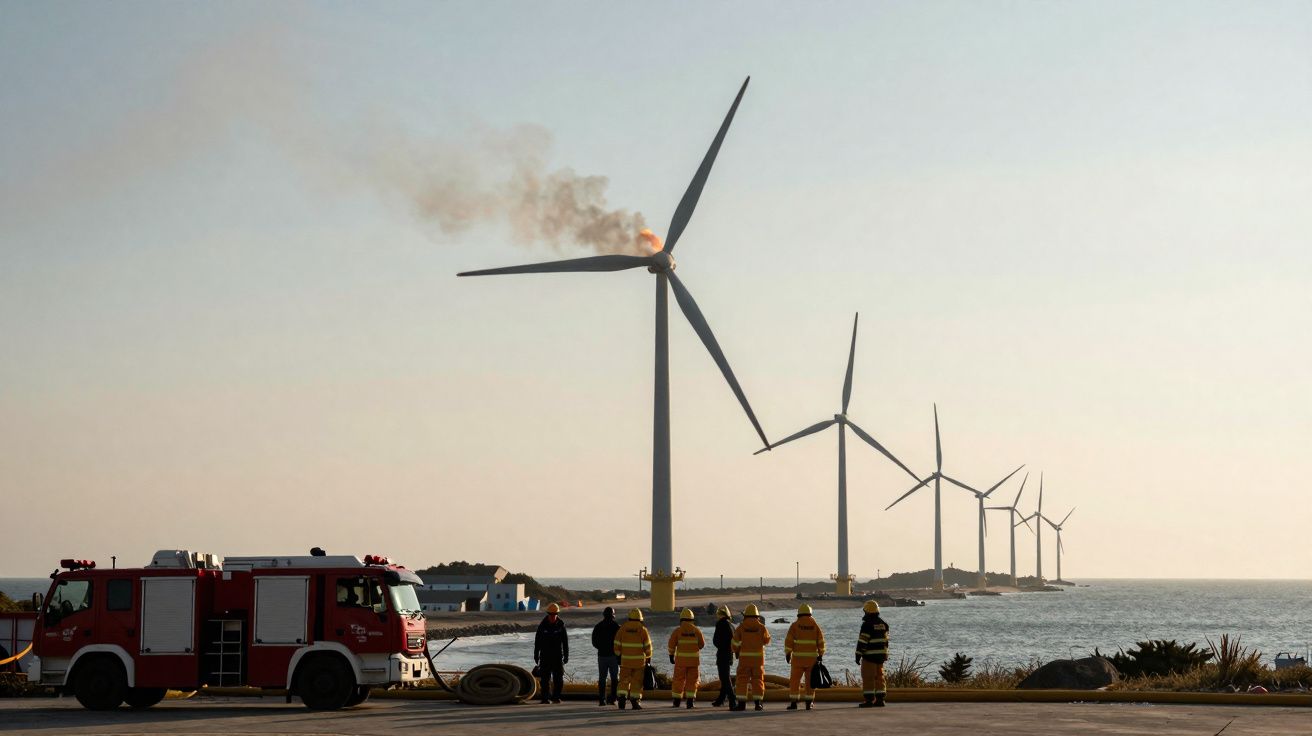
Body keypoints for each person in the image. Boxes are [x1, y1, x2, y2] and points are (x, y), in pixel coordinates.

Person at [784, 602, 826, 710]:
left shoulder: (794, 625)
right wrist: (821, 654)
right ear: (810, 613)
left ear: (799, 614)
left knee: (794, 681)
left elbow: (789, 641)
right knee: (810, 682)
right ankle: (809, 703)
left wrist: (788, 653)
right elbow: (821, 641)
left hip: (797, 659)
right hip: (811, 660)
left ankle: (794, 703)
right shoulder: (815, 626)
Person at [731, 603, 771, 710]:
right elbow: (767, 640)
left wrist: (736, 651)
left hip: (744, 660)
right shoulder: (762, 628)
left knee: (742, 680)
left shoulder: (741, 627)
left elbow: (734, 643)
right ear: (757, 616)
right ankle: (758, 704)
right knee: (757, 680)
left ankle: (741, 704)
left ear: (745, 616)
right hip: (758, 660)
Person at [613, 608, 652, 710]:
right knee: (636, 682)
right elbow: (647, 646)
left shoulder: (622, 628)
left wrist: (618, 655)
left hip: (625, 661)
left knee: (623, 681)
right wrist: (648, 657)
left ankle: (621, 700)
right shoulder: (643, 630)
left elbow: (616, 644)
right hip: (639, 663)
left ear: (629, 617)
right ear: (640, 618)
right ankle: (635, 702)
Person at [666, 608, 705, 709]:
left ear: (681, 619)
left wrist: (671, 656)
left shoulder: (677, 631)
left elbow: (671, 645)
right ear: (692, 619)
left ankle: (677, 702)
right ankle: (690, 702)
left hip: (680, 662)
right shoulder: (697, 631)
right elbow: (701, 645)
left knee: (678, 680)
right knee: (692, 681)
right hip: (694, 662)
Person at [855, 600, 890, 707]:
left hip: (870, 656)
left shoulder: (867, 625)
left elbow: (863, 641)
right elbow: (886, 640)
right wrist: (884, 654)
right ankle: (880, 699)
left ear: (866, 611)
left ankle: (869, 700)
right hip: (881, 656)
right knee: (880, 677)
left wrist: (858, 655)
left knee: (868, 677)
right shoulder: (883, 624)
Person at [533, 602, 568, 704]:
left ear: (557, 614)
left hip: (557, 656)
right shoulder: (542, 626)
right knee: (545, 679)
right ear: (548, 614)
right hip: (545, 656)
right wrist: (536, 655)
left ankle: (556, 697)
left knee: (558, 679)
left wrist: (566, 656)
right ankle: (545, 698)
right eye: (551, 614)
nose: (553, 616)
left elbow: (565, 642)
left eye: (554, 614)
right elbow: (537, 641)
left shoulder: (561, 625)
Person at [591, 606, 621, 706]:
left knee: (602, 678)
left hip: (602, 656)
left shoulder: (598, 626)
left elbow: (594, 642)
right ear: (613, 616)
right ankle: (613, 699)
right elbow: (620, 642)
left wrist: (601, 647)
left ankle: (602, 700)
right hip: (613, 656)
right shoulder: (617, 627)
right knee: (614, 679)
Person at [710, 605, 738, 708]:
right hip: (730, 654)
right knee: (724, 677)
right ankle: (720, 700)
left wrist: (721, 646)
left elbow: (716, 641)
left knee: (725, 678)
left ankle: (732, 700)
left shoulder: (720, 624)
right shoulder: (732, 626)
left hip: (722, 654)